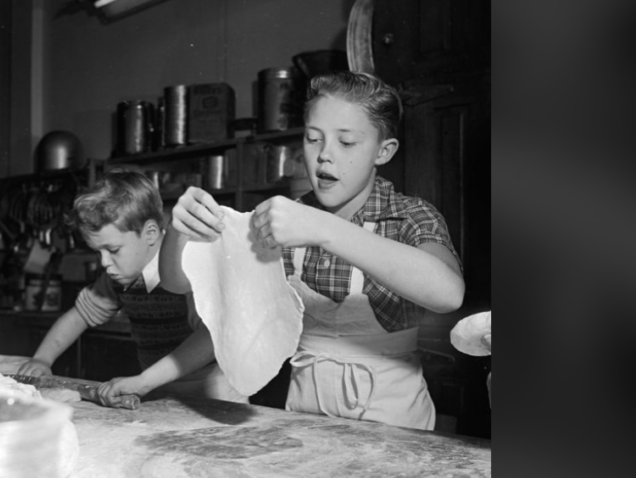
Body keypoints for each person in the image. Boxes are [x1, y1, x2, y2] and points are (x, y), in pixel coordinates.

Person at [159, 71, 464, 429]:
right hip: (304, 421)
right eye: (313, 138)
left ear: (384, 151)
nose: (324, 156)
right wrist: (178, 233)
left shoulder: (409, 217)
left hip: (396, 427)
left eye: (346, 142)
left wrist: (324, 229)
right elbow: (177, 283)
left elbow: (448, 294)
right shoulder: (284, 219)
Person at [16, 170, 247, 404]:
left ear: (150, 234)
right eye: (98, 252)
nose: (104, 262)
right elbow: (79, 316)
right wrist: (42, 359)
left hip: (214, 392)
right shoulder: (119, 277)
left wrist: (145, 380)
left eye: (113, 250)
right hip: (159, 391)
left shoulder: (187, 264)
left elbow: (209, 338)